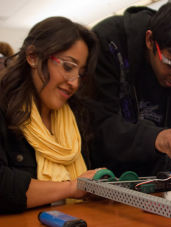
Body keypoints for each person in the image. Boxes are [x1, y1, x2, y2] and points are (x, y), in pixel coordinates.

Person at [91, 0, 171, 176]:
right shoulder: (108, 42)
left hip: (156, 177)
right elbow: (99, 125)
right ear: (150, 40)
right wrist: (156, 137)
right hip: (103, 174)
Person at [0, 16, 101, 213]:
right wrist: (72, 187)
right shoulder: (4, 110)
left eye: (80, 73)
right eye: (68, 67)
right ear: (33, 57)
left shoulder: (77, 115)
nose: (75, 83)